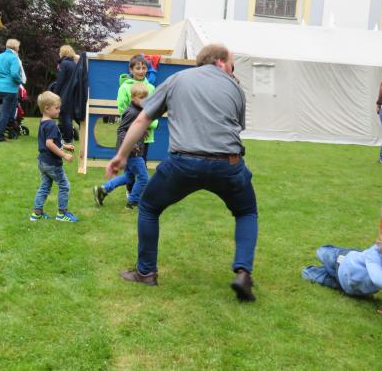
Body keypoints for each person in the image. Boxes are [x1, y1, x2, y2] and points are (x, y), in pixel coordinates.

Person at [105, 43, 259, 302]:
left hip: (183, 163)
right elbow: (237, 127)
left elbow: (142, 119)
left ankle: (146, 273)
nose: (233, 69)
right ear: (221, 63)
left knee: (149, 207)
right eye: (232, 63)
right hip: (229, 164)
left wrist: (121, 155)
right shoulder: (236, 87)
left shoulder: (176, 80)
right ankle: (243, 272)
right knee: (246, 212)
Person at [301, 227, 382, 323]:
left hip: (346, 287)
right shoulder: (376, 253)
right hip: (342, 262)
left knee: (308, 274)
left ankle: (322, 273)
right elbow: (377, 278)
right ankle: (330, 251)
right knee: (322, 252)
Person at [94, 83, 151, 209]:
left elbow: (133, 127)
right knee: (143, 177)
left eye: (145, 97)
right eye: (140, 97)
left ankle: (103, 190)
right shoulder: (132, 112)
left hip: (133, 150)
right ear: (132, 97)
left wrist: (143, 131)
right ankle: (132, 202)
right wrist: (133, 144)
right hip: (132, 151)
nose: (143, 101)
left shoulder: (138, 110)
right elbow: (121, 131)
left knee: (129, 176)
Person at [30, 91, 79, 223]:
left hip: (42, 161)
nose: (59, 110)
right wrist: (64, 155)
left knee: (44, 186)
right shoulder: (51, 124)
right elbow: (50, 144)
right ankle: (62, 213)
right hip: (52, 163)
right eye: (56, 108)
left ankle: (37, 213)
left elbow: (53, 141)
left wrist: (64, 145)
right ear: (47, 108)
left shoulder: (44, 122)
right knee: (65, 185)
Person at [117, 55, 159, 195]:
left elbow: (154, 109)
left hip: (146, 135)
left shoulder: (151, 87)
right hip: (131, 134)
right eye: (138, 68)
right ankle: (130, 192)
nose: (141, 71)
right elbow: (123, 110)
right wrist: (138, 127)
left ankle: (139, 194)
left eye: (144, 68)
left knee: (142, 163)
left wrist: (148, 125)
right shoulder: (125, 87)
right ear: (131, 69)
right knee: (131, 165)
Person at [0, 39, 24, 142]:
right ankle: (0, 136)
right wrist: (20, 81)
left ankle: (11, 124)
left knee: (13, 105)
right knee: (5, 112)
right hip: (10, 89)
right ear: (16, 48)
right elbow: (14, 74)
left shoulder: (0, 56)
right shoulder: (14, 58)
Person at [52, 45, 78, 150]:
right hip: (72, 94)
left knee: (64, 116)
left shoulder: (64, 64)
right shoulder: (74, 64)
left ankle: (68, 139)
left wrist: (55, 93)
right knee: (68, 117)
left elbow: (60, 81)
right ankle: (68, 137)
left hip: (64, 94)